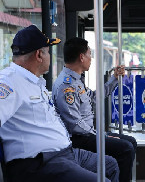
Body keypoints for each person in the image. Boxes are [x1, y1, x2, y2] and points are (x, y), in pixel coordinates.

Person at [0, 25, 119, 182]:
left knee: (110, 165)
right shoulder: (9, 82)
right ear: (39, 55)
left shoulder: (36, 83)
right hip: (41, 162)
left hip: (64, 152)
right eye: (48, 51)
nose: (50, 56)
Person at [52, 37, 137, 182]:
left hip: (87, 134)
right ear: (81, 57)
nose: (91, 58)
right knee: (126, 148)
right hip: (77, 139)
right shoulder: (66, 86)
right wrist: (101, 136)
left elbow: (93, 98)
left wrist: (114, 78)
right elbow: (74, 124)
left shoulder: (76, 80)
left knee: (131, 141)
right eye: (89, 54)